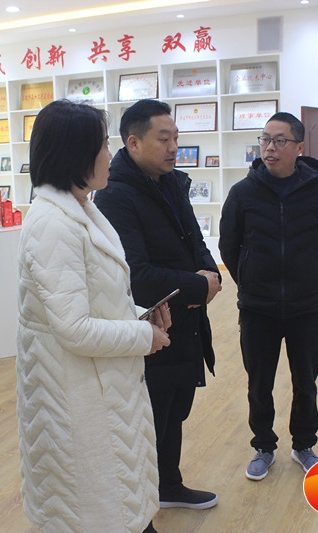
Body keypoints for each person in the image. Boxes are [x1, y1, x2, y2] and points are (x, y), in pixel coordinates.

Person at [15, 99, 171, 533]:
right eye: (103, 144)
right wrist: (144, 338)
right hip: (76, 396)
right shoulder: (52, 224)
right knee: (99, 513)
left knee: (125, 510)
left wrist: (140, 315)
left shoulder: (81, 208)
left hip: (102, 388)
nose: (110, 153)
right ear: (76, 153)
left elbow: (96, 299)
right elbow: (74, 328)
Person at [94, 99, 222, 510]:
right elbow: (136, 276)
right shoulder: (115, 197)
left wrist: (210, 275)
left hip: (182, 321)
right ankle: (142, 502)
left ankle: (168, 484)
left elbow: (196, 241)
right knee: (151, 415)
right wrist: (197, 286)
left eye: (176, 138)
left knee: (175, 407)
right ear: (133, 143)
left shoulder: (171, 183)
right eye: (164, 139)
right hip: (149, 327)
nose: (174, 148)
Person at [219, 112, 318, 481]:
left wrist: (310, 280)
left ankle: (303, 444)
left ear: (298, 147)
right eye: (265, 139)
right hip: (258, 308)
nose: (270, 147)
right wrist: (250, 282)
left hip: (307, 307)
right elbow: (228, 246)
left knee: (306, 381)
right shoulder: (243, 193)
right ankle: (263, 446)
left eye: (279, 140)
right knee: (259, 382)